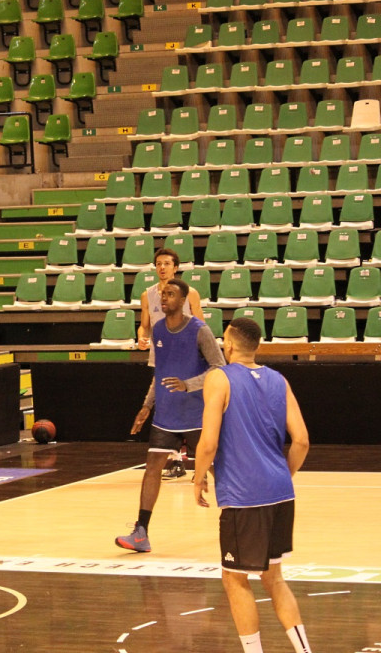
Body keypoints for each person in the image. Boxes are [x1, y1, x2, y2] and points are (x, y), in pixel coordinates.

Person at [194, 318, 313, 653]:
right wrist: (283, 475)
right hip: (281, 493)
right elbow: (301, 441)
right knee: (274, 577)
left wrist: (197, 477)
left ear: (229, 345)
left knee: (234, 578)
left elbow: (208, 444)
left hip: (244, 497)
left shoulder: (219, 378)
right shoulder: (279, 379)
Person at [116, 278, 224, 553]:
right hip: (166, 414)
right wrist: (147, 405)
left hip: (196, 414)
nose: (164, 298)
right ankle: (141, 532)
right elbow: (160, 372)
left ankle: (237, 518)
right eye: (163, 294)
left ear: (183, 300)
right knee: (152, 467)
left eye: (171, 294)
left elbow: (219, 367)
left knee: (217, 468)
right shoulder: (159, 329)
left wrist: (189, 384)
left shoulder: (199, 330)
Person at [137, 248, 204, 480]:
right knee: (166, 407)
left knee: (190, 407)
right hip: (162, 356)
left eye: (166, 263)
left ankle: (202, 464)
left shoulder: (190, 293)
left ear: (175, 267)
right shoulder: (147, 295)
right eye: (158, 263)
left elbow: (201, 324)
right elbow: (144, 325)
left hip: (187, 358)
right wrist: (141, 338)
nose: (162, 267)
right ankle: (176, 461)